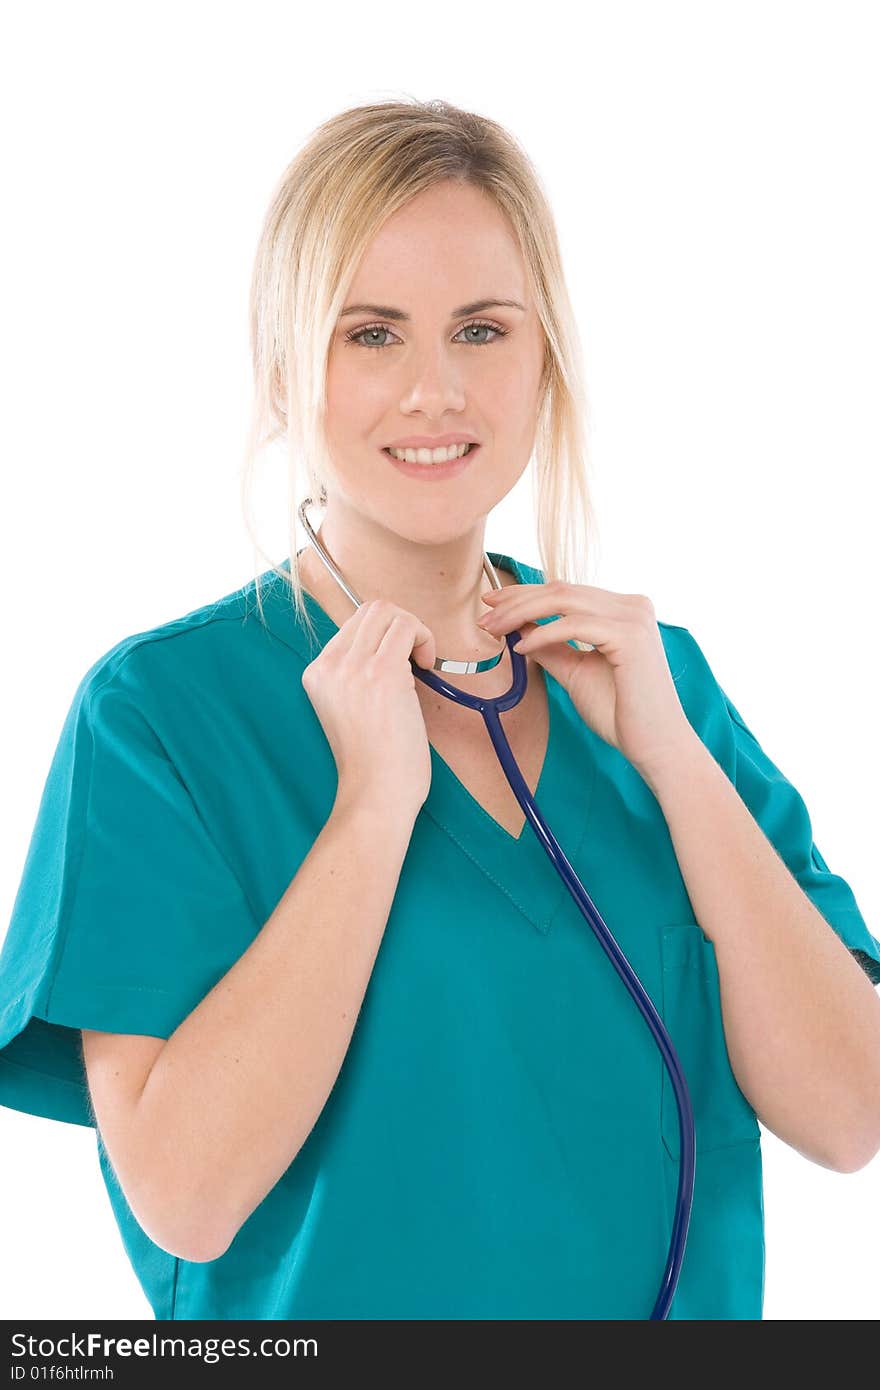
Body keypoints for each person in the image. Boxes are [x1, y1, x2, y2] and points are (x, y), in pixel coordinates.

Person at [1, 98, 879, 1323]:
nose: (434, 389)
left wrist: (675, 765)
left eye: (480, 329)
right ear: (283, 367)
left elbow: (848, 1118)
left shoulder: (655, 687)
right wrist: (368, 815)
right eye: (371, 334)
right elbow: (187, 1198)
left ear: (544, 357)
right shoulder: (160, 719)